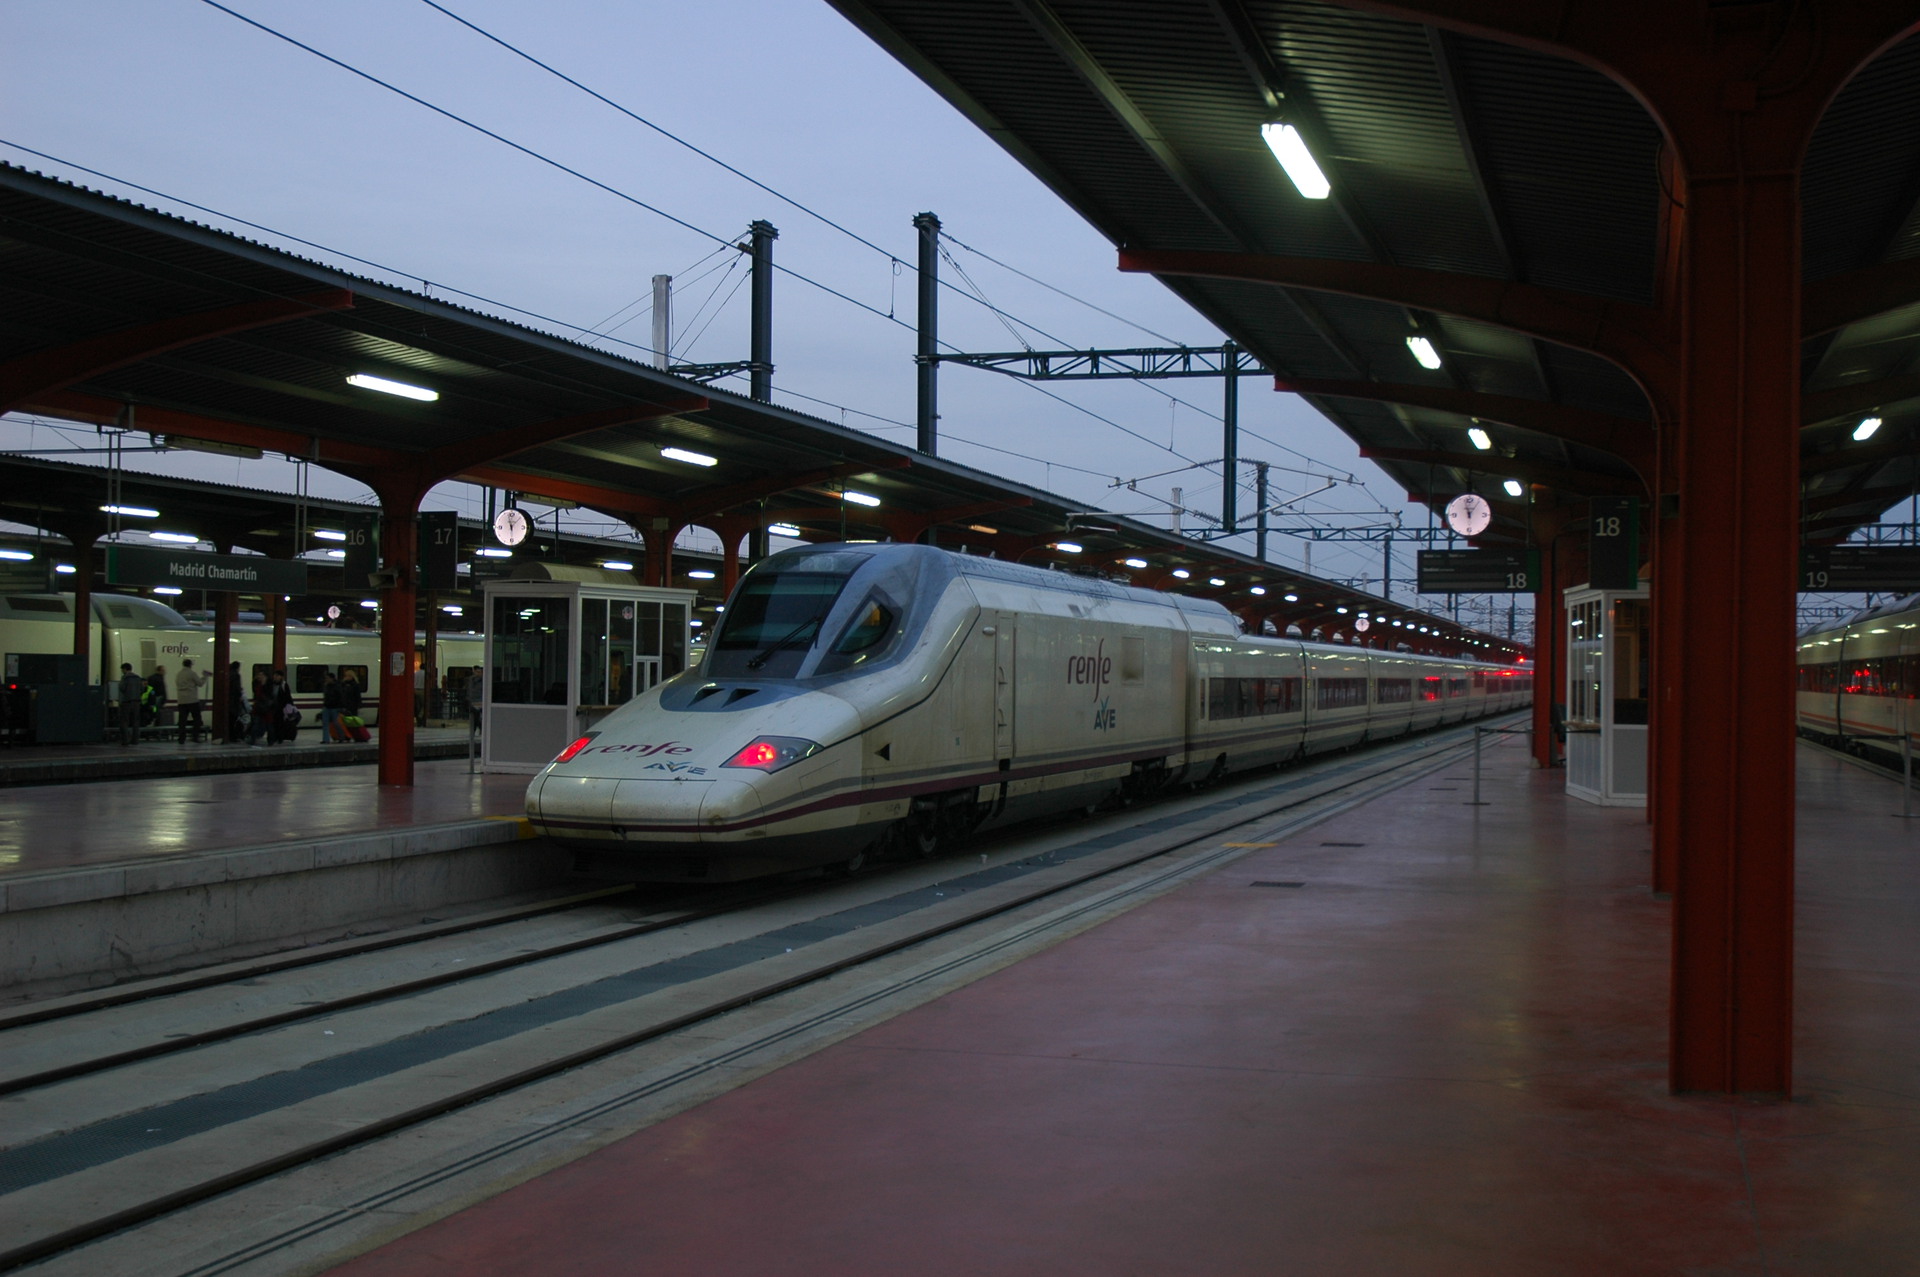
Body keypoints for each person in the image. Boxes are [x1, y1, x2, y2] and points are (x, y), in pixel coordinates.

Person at [175, 657, 204, 743]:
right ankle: (195, 737)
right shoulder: (192, 673)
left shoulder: (178, 674)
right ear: (190, 665)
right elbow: (200, 683)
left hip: (181, 700)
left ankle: (181, 738)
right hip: (192, 700)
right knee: (197, 718)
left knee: (182, 720)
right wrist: (205, 677)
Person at [116, 662, 143, 745]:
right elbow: (142, 689)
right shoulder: (138, 678)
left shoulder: (125, 678)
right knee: (135, 722)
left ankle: (125, 741)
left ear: (125, 669)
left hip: (126, 702)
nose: (122, 671)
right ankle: (135, 740)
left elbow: (122, 688)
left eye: (122, 669)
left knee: (124, 722)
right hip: (137, 702)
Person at [247, 669, 270, 746]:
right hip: (260, 708)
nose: (259, 677)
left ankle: (254, 738)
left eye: (261, 675)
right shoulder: (258, 684)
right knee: (257, 724)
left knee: (260, 724)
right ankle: (253, 738)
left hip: (263, 708)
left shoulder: (266, 685)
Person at [142, 663, 168, 729]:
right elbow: (155, 690)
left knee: (155, 713)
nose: (164, 672)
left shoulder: (152, 678)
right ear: (159, 671)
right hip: (156, 700)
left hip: (155, 699)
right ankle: (155, 727)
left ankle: (153, 725)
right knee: (156, 713)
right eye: (163, 670)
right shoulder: (158, 678)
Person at [226, 660, 247, 743]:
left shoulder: (228, 674)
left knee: (230, 720)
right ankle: (233, 737)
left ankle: (229, 736)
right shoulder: (236, 675)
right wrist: (240, 696)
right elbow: (237, 688)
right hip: (234, 702)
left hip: (229, 702)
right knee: (234, 720)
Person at [320, 672, 343, 743]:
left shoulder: (337, 686)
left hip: (334, 707)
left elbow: (340, 697)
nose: (326, 679)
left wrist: (340, 706)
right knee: (325, 723)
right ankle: (326, 739)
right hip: (327, 707)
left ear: (332, 678)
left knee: (336, 723)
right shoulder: (326, 686)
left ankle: (341, 736)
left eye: (327, 678)